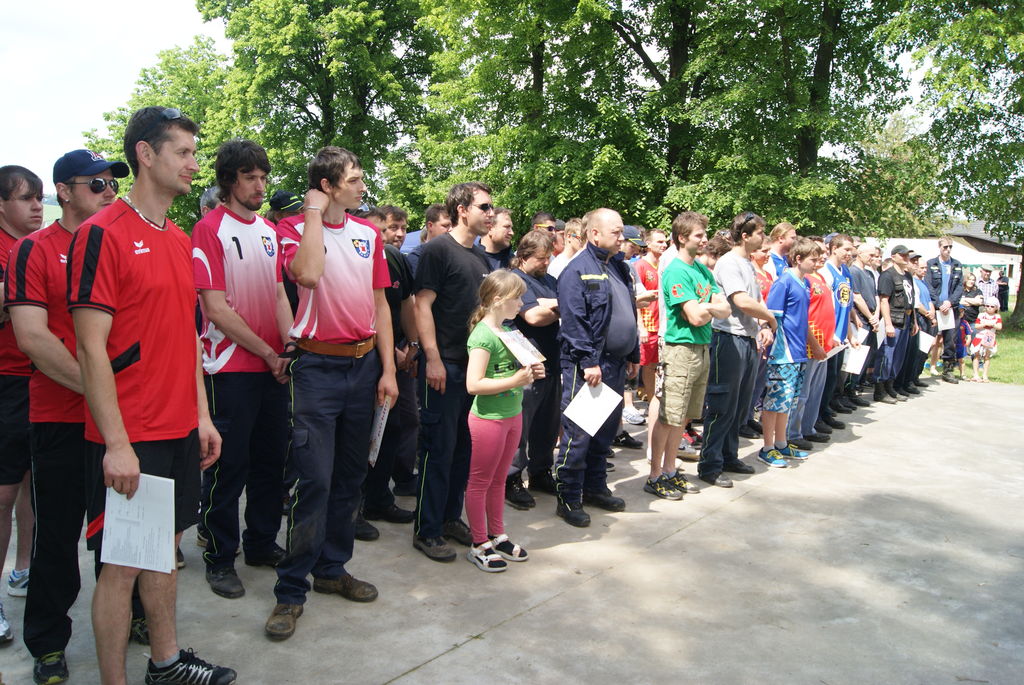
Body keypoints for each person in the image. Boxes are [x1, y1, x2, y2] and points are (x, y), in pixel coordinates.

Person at [67, 106, 235, 685]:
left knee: (163, 550)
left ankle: (166, 664)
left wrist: (201, 415)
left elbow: (186, 336)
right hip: (131, 434)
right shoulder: (101, 233)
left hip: (178, 426)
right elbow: (90, 348)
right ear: (145, 153)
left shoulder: (179, 238)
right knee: (120, 566)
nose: (193, 164)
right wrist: (116, 444)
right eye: (183, 152)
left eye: (194, 153)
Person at [266, 146, 397, 640]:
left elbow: (380, 305)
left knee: (349, 478)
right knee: (314, 481)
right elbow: (308, 274)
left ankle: (332, 568)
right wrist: (313, 215)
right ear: (327, 185)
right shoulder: (292, 229)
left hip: (364, 367)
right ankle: (290, 590)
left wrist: (388, 369)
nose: (363, 187)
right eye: (354, 179)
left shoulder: (368, 234)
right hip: (317, 368)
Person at [5, 152, 125, 680]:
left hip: (125, 420)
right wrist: (100, 392)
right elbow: (32, 338)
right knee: (56, 536)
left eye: (112, 182)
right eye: (96, 183)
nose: (108, 190)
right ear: (65, 191)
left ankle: (133, 617)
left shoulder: (121, 243)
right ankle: (48, 642)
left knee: (122, 536)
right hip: (61, 417)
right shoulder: (34, 250)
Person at [191, 139, 292, 599]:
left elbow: (279, 295)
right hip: (230, 369)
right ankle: (219, 558)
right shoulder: (208, 229)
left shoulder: (269, 230)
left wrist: (288, 347)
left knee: (271, 463)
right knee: (228, 468)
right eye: (250, 177)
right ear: (229, 180)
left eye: (263, 177)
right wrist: (268, 353)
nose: (260, 186)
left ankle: (261, 543)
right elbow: (215, 309)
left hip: (273, 368)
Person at [412, 182, 493, 561]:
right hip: (443, 366)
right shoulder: (437, 250)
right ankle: (426, 530)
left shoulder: (480, 257)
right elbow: (422, 305)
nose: (490, 213)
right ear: (462, 209)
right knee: (438, 450)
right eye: (484, 206)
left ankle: (448, 518)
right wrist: (432, 358)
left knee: (463, 450)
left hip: (471, 368)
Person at [553, 208, 638, 526]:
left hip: (615, 364)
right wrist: (589, 361)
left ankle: (594, 487)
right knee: (580, 434)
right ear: (594, 234)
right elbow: (574, 321)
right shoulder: (577, 270)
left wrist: (632, 353)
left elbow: (628, 311)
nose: (622, 237)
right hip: (590, 367)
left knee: (604, 433)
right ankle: (568, 495)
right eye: (616, 231)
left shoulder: (618, 266)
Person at [646, 212, 730, 500]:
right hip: (680, 349)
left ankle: (671, 470)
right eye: (699, 235)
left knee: (682, 417)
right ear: (682, 238)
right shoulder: (676, 271)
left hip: (702, 347)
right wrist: (708, 308)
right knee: (669, 415)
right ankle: (655, 474)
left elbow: (725, 309)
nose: (705, 240)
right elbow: (694, 316)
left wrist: (705, 307)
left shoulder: (703, 271)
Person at [464, 270, 542, 571]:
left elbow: (516, 369)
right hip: (489, 419)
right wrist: (515, 380)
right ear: (498, 300)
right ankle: (478, 542)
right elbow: (473, 384)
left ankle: (497, 534)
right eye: (517, 298)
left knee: (500, 479)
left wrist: (531, 371)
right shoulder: (483, 335)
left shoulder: (507, 330)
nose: (522, 303)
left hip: (512, 414)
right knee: (480, 481)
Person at [698, 212, 776, 488]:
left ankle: (729, 456)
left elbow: (754, 300)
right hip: (728, 339)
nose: (763, 237)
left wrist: (762, 324)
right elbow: (741, 301)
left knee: (740, 405)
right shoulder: (730, 262)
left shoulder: (747, 263)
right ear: (745, 235)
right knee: (722, 405)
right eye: (760, 233)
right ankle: (710, 464)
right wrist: (770, 318)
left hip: (746, 339)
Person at [0, 165, 42, 647]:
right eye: (24, 198)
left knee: (35, 483)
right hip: (7, 381)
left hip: (41, 379)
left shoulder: (36, 246)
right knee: (4, 492)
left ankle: (24, 569)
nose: (35, 206)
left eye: (38, 197)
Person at [504, 231, 561, 510]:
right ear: (524, 257)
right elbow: (533, 317)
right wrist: (559, 306)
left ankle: (541, 472)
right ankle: (512, 478)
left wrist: (551, 306)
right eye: (540, 258)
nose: (546, 263)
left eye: (548, 257)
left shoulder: (550, 280)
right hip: (526, 363)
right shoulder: (517, 281)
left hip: (552, 361)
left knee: (547, 425)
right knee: (521, 427)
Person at [760, 237, 825, 467]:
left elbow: (802, 319)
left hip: (798, 352)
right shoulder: (784, 282)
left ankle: (781, 442)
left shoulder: (804, 283)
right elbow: (772, 316)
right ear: (798, 258)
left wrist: (812, 344)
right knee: (775, 401)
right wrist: (775, 347)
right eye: (813, 260)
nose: (816, 264)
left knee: (788, 401)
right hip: (783, 353)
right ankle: (767, 447)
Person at [635, 228, 667, 449]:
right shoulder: (640, 266)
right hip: (648, 323)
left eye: (665, 242)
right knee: (647, 366)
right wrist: (641, 326)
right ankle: (650, 399)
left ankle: (654, 400)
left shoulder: (664, 265)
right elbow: (636, 297)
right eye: (659, 242)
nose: (663, 245)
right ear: (648, 243)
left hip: (661, 323)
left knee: (656, 365)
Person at [876, 245, 916, 402]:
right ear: (893, 257)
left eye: (907, 255)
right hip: (894, 319)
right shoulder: (887, 275)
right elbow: (884, 300)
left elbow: (910, 300)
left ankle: (890, 386)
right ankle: (880, 389)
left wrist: (914, 321)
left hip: (906, 319)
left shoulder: (908, 276)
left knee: (898, 356)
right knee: (887, 354)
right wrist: (888, 324)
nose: (906, 258)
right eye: (902, 255)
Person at [924, 237, 963, 384]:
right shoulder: (931, 264)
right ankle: (915, 371)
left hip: (951, 309)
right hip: (935, 308)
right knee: (929, 339)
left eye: (950, 247)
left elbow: (959, 287)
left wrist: (949, 302)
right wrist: (939, 304)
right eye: (945, 247)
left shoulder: (957, 265)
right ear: (939, 247)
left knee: (950, 340)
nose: (948, 250)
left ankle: (948, 370)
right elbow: (928, 286)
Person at [405, 203, 452, 276]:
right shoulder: (416, 257)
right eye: (445, 226)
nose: (451, 229)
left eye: (453, 225)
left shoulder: (455, 255)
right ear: (430, 226)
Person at [970, 298, 1001, 382]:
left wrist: (993, 324)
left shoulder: (997, 316)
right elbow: (977, 326)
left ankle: (985, 375)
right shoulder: (981, 315)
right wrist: (985, 324)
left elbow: (999, 327)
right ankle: (975, 374)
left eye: (992, 306)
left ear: (996, 308)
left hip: (989, 337)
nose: (989, 308)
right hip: (980, 336)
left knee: (987, 357)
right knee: (976, 355)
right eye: (987, 306)